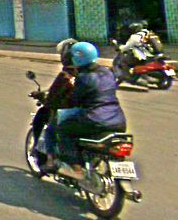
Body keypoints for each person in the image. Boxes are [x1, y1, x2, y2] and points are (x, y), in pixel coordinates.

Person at [54, 42, 127, 181]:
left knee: (63, 129)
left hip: (95, 120)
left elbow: (75, 100)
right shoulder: (107, 72)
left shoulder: (84, 77)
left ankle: (76, 169)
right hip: (118, 120)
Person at [31, 38, 78, 173]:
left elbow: (52, 98)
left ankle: (49, 160)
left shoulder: (66, 75)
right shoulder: (95, 73)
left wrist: (41, 96)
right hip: (95, 112)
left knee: (48, 128)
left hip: (70, 113)